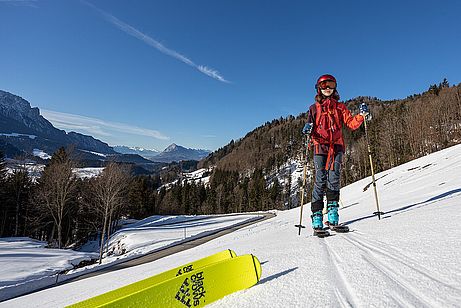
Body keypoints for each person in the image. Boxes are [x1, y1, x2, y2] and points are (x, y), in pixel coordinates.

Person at [302, 74, 369, 231]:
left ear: (335, 87)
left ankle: (333, 216)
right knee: (320, 180)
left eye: (331, 85)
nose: (327, 88)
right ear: (319, 88)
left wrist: (361, 116)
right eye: (324, 85)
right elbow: (309, 126)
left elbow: (351, 124)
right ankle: (317, 217)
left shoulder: (340, 107)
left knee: (334, 180)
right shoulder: (313, 109)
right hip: (320, 147)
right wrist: (307, 130)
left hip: (337, 147)